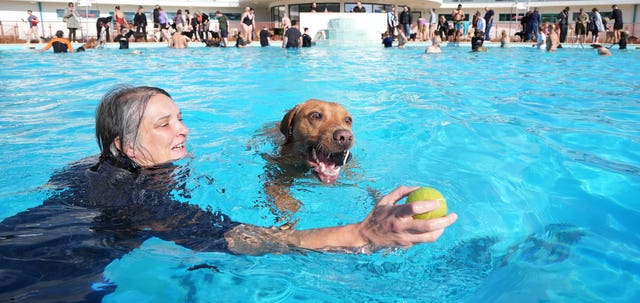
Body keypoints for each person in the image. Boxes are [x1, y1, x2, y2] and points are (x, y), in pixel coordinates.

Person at [0, 85, 457, 301]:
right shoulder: (141, 197)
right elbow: (243, 240)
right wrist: (366, 233)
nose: (185, 130)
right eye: (166, 125)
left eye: (180, 117)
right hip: (42, 281)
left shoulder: (86, 170)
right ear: (125, 147)